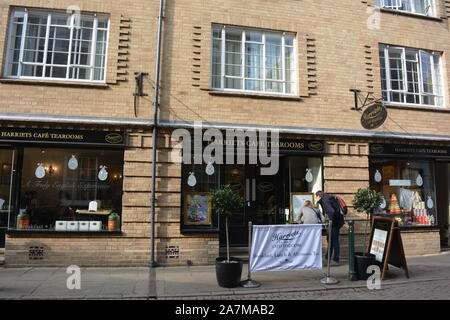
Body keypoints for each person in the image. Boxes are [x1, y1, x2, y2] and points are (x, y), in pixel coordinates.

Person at [315, 191, 345, 265]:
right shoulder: (327, 198)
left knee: (334, 241)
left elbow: (331, 212)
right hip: (337, 221)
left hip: (334, 223)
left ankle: (336, 259)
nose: (315, 198)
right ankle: (327, 257)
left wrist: (331, 222)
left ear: (318, 196)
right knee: (330, 240)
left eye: (316, 197)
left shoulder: (325, 201)